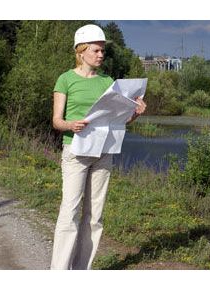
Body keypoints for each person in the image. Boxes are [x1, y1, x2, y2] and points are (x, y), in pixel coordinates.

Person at [50, 24, 146, 270]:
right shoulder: (66, 79)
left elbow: (117, 120)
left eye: (103, 50)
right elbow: (56, 121)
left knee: (94, 217)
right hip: (76, 152)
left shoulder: (108, 82)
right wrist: (71, 124)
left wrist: (135, 114)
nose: (101, 54)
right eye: (96, 50)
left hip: (103, 152)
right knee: (69, 212)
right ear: (81, 51)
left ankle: (82, 270)